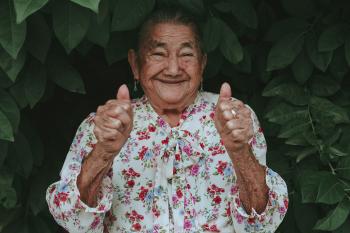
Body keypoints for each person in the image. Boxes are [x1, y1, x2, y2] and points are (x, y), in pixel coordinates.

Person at [46, 8, 288, 233]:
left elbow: (261, 226)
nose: (173, 69)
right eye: (159, 54)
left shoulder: (234, 118)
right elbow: (73, 220)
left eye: (186, 54)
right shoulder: (105, 124)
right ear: (135, 64)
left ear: (202, 64)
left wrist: (239, 151)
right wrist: (104, 152)